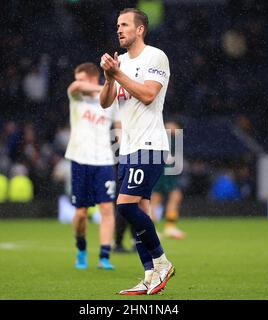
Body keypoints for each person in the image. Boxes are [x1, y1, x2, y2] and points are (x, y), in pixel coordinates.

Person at [99, 8, 175, 295]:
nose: (119, 29)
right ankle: (150, 275)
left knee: (125, 206)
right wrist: (109, 78)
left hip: (150, 145)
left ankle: (162, 262)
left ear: (140, 29)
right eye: (117, 24)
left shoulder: (155, 57)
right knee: (140, 209)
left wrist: (117, 73)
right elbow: (106, 103)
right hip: (129, 149)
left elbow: (148, 95)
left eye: (125, 25)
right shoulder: (120, 64)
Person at [65, 62, 119, 270]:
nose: (76, 82)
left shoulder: (110, 102)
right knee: (80, 214)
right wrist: (109, 85)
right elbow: (75, 87)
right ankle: (81, 248)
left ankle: (104, 256)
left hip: (104, 161)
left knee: (107, 209)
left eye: (80, 78)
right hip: (79, 159)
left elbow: (119, 124)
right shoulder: (77, 97)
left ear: (92, 77)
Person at [150, 121, 186, 239]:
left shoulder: (176, 140)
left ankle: (170, 227)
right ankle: (152, 230)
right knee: (155, 199)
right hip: (159, 171)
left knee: (175, 196)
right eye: (170, 125)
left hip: (169, 173)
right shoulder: (158, 136)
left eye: (175, 126)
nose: (172, 128)